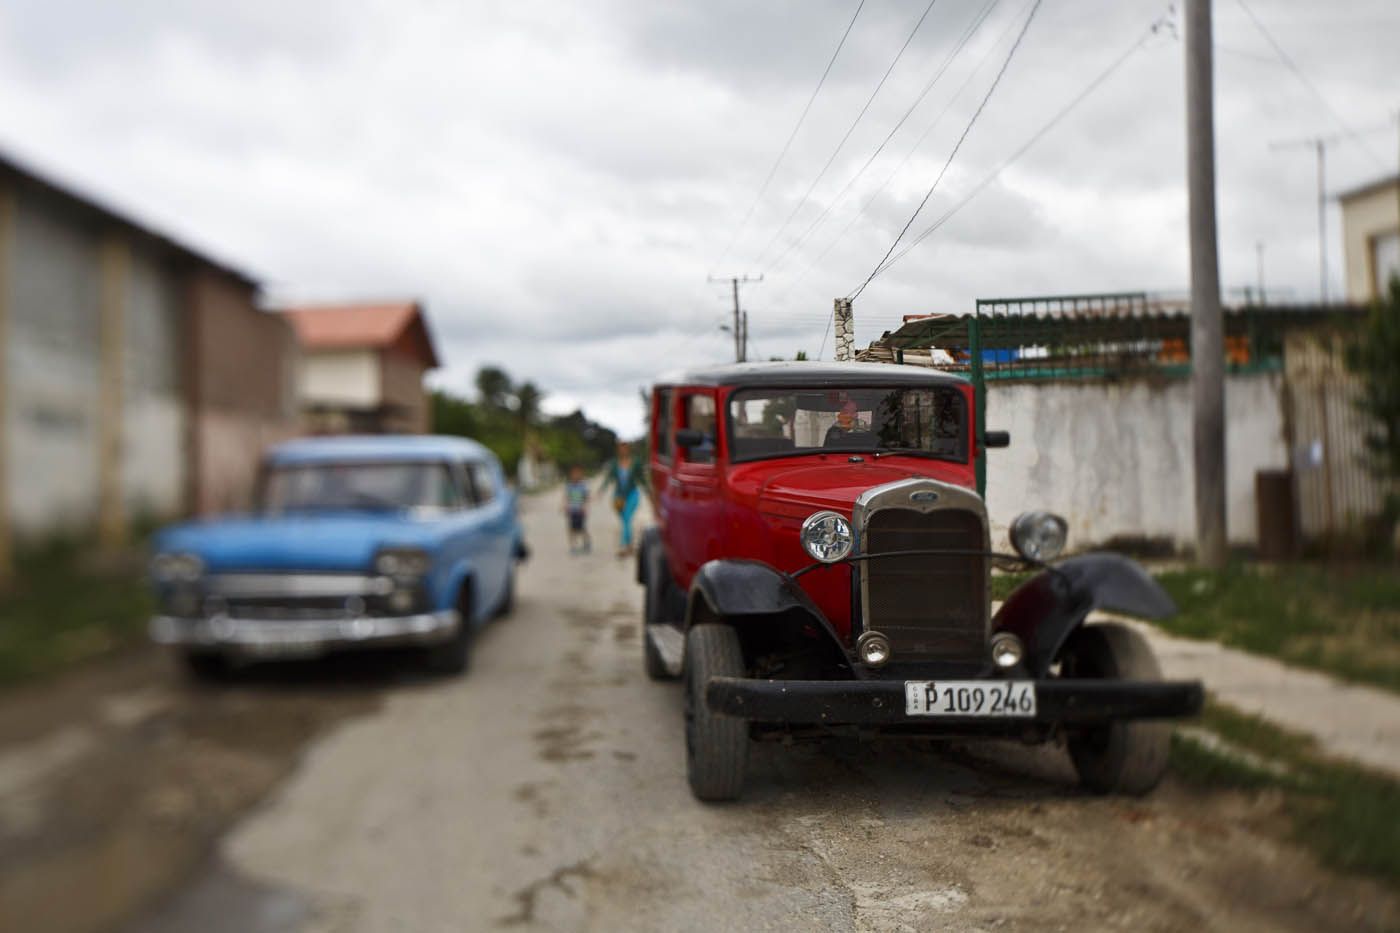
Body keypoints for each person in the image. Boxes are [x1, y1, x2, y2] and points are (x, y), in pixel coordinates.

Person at [598, 441, 646, 557]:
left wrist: (650, 492)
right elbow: (608, 478)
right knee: (625, 521)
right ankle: (630, 546)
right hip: (618, 496)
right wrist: (601, 491)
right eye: (621, 448)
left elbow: (642, 479)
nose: (623, 450)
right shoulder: (615, 463)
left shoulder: (636, 462)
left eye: (625, 448)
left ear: (628, 449)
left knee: (627, 518)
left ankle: (623, 546)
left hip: (632, 494)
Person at [563, 466, 591, 554]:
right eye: (573, 474)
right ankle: (573, 546)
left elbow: (586, 497)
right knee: (571, 529)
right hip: (572, 510)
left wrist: (585, 507)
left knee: (581, 528)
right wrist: (565, 507)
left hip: (580, 511)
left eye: (577, 474)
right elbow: (566, 497)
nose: (575, 476)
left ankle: (587, 542)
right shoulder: (569, 486)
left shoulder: (583, 485)